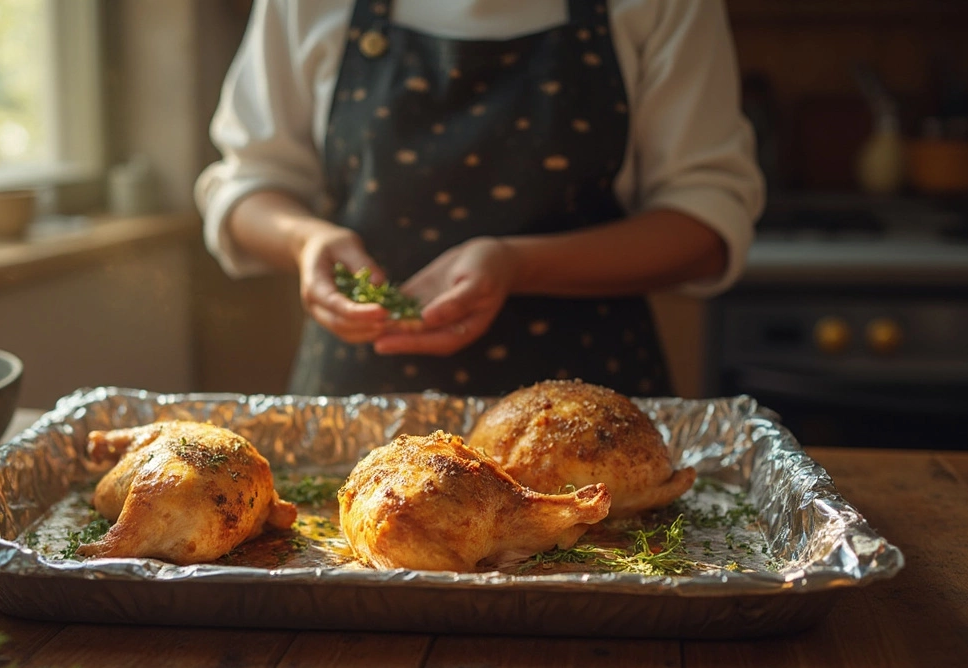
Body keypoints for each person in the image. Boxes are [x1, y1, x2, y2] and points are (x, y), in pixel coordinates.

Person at [195, 0, 764, 397]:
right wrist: (306, 241)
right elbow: (247, 187)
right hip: (360, 408)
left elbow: (706, 224)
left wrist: (517, 265)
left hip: (586, 414)